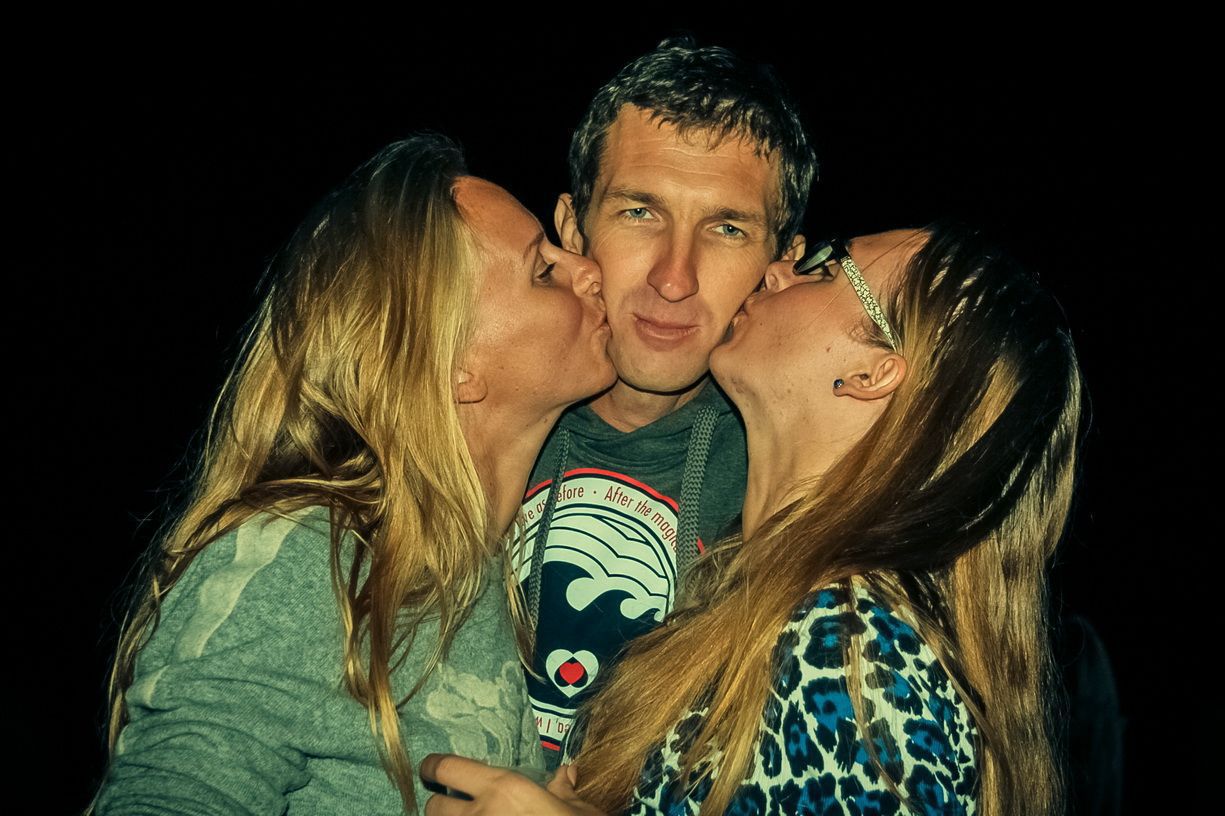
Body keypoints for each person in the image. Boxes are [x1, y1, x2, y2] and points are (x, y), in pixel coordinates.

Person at [422, 224, 1083, 815]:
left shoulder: (856, 654)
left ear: (870, 373)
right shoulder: (767, 602)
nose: (778, 272)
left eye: (826, 268)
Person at [92, 134, 616, 815]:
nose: (588, 270)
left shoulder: (475, 564)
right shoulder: (312, 556)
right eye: (541, 270)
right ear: (452, 362)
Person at [519, 37, 817, 761]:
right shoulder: (459, 416)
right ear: (572, 228)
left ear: (781, 265)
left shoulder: (804, 494)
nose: (674, 278)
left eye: (726, 228)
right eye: (639, 212)